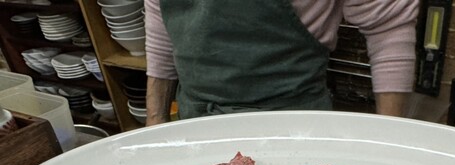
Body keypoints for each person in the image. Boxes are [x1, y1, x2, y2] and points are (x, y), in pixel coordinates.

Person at [143, 0, 419, 126]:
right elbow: (160, 22)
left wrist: (391, 142)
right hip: (196, 121)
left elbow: (389, 28)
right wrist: (155, 121)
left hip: (295, 126)